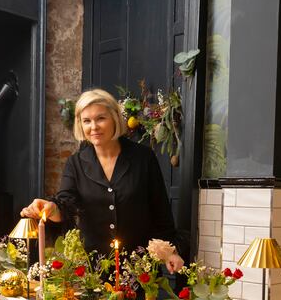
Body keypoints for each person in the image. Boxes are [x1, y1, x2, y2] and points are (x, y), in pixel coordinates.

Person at [21, 88, 185, 274]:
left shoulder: (143, 158)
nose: (94, 127)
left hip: (138, 267)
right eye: (87, 121)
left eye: (100, 118)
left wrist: (170, 251)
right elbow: (66, 205)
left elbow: (161, 212)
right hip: (92, 269)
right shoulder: (75, 163)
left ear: (114, 118)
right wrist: (50, 208)